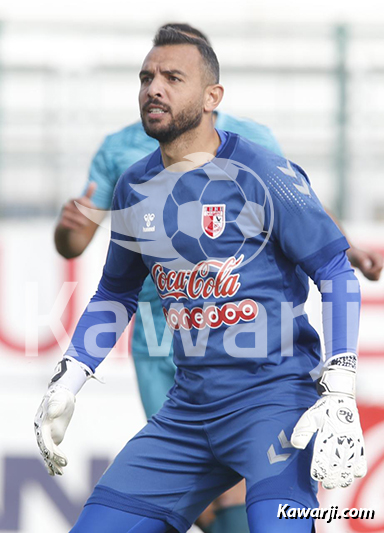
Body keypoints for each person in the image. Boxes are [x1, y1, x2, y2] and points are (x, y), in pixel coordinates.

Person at [37, 27, 369, 533]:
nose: (154, 88)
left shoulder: (263, 171)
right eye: (147, 77)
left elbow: (334, 269)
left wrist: (341, 388)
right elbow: (116, 292)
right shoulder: (134, 185)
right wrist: (71, 374)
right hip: (187, 414)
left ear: (213, 97)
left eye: (173, 77)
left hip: (273, 405)